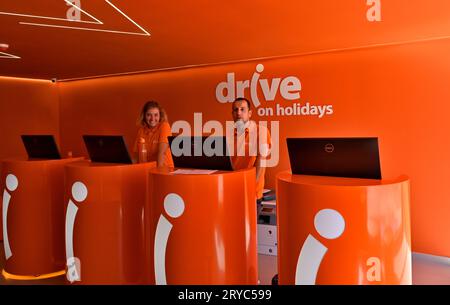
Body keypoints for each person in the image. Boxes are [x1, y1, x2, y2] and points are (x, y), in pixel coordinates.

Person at [229, 97, 271, 202]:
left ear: (250, 113)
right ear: (232, 114)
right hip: (231, 190)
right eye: (235, 110)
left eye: (242, 109)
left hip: (251, 193)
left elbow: (261, 160)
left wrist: (250, 186)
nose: (238, 113)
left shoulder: (261, 131)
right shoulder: (229, 134)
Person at [133, 101, 174, 167]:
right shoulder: (141, 130)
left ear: (160, 115)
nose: (152, 119)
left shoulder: (164, 126)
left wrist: (158, 174)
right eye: (149, 115)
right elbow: (136, 156)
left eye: (156, 115)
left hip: (164, 169)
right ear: (144, 116)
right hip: (147, 170)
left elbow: (161, 153)